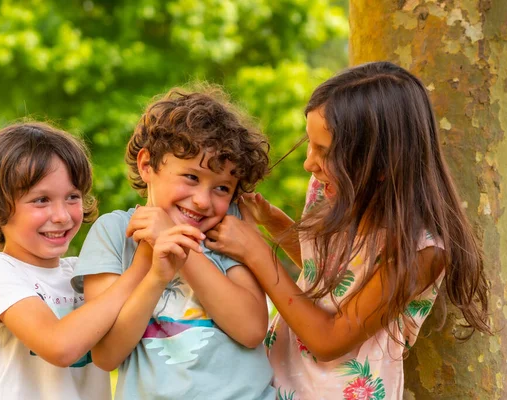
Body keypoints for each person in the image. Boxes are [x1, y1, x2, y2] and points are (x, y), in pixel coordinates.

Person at [205, 61, 491, 400]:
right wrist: (272, 220)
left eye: (324, 152)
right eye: (310, 144)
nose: (308, 163)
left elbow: (329, 340)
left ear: (382, 163)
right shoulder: (328, 190)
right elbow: (326, 268)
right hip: (276, 380)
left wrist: (256, 252)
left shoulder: (421, 252)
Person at [72, 87, 276, 399]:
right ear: (147, 165)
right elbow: (106, 355)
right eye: (191, 177)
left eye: (222, 187)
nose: (202, 200)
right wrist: (156, 274)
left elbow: (250, 330)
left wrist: (180, 249)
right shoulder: (114, 232)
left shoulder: (228, 232)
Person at [0, 122, 138, 399]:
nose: (61, 215)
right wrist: (138, 272)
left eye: (72, 197)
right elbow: (59, 346)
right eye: (41, 200)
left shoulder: (82, 273)